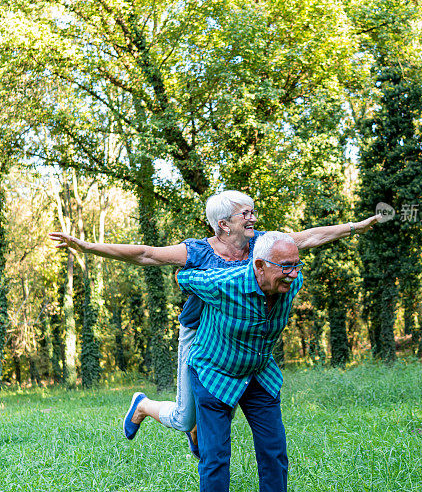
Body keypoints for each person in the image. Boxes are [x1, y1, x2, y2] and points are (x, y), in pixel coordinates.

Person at [50, 190, 378, 451]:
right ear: (224, 224)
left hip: (237, 337)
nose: (253, 217)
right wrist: (86, 246)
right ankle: (143, 405)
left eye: (252, 212)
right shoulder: (198, 252)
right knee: (182, 417)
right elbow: (146, 254)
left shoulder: (262, 244)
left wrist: (355, 227)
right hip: (199, 334)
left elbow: (309, 237)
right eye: (245, 214)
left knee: (230, 402)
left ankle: (200, 430)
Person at [175, 231, 304, 492]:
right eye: (285, 267)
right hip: (214, 372)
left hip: (258, 374)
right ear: (259, 265)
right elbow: (185, 276)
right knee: (215, 458)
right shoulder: (225, 283)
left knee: (274, 451)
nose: (293, 274)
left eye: (297, 266)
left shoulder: (292, 284)